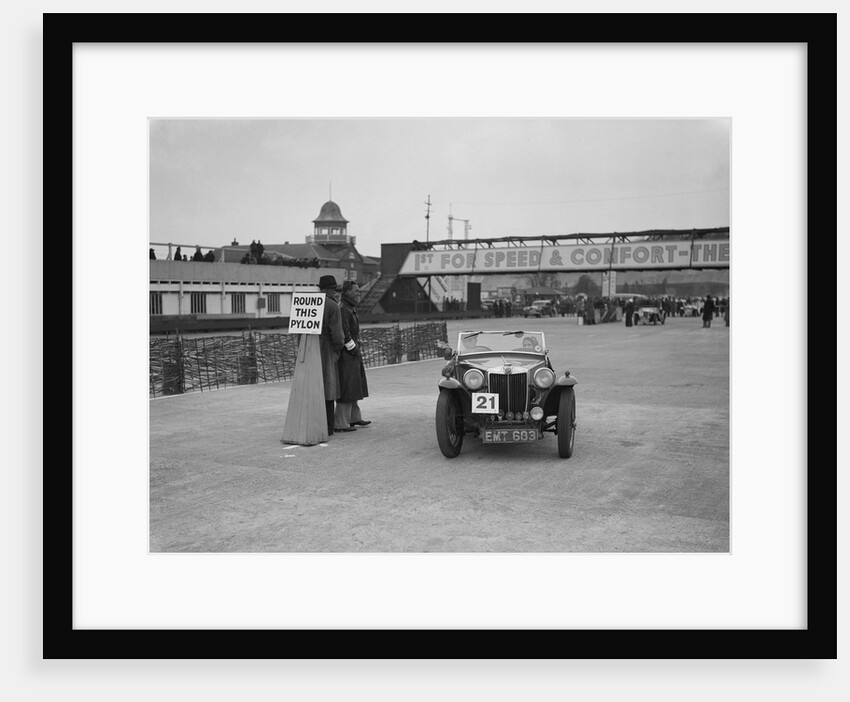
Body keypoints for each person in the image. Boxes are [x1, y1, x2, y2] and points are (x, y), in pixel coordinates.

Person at [334, 280, 370, 432]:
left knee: (353, 386)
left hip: (352, 353)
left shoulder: (349, 307)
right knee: (348, 386)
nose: (358, 293)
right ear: (347, 292)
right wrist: (354, 348)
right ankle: (341, 422)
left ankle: (354, 417)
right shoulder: (344, 308)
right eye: (356, 291)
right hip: (348, 355)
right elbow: (345, 333)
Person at [317, 275, 346, 435]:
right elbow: (337, 334)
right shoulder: (332, 306)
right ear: (329, 289)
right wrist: (338, 349)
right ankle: (328, 427)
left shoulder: (309, 302)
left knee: (313, 386)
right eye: (334, 290)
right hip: (327, 348)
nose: (336, 293)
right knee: (328, 387)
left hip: (310, 347)